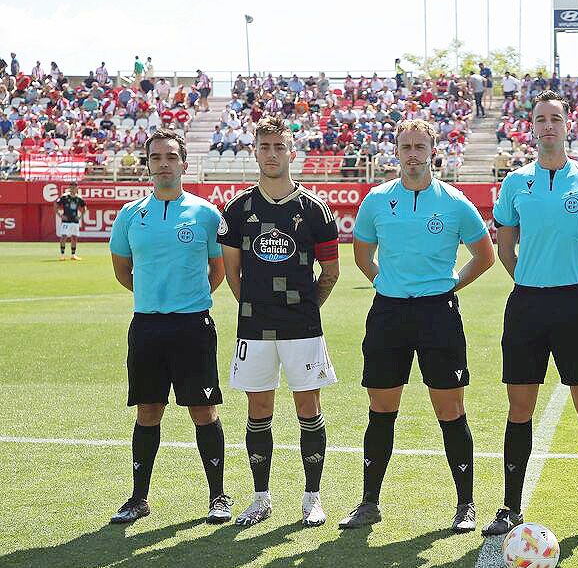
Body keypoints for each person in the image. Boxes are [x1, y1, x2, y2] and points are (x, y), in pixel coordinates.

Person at [340, 119, 495, 532]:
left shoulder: (455, 202)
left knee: (450, 409)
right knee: (381, 408)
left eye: (419, 146)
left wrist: (448, 287)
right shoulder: (376, 200)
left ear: (433, 150)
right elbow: (361, 255)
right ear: (396, 151)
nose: (412, 154)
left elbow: (485, 256)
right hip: (389, 313)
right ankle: (368, 503)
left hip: (437, 314)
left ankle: (466, 505)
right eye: (405, 146)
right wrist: (386, 285)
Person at [482, 90, 578, 539]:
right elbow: (504, 243)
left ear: (567, 125)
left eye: (555, 119)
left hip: (573, 304)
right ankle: (509, 507)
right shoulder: (515, 182)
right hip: (526, 305)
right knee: (520, 408)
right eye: (540, 119)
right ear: (532, 126)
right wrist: (524, 277)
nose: (547, 127)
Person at [218, 116, 341, 528]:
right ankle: (260, 497)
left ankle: (312, 498)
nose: (272, 154)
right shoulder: (238, 210)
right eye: (264, 147)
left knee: (308, 407)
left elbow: (331, 272)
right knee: (259, 407)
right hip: (254, 328)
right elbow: (232, 274)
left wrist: (307, 308)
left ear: (292, 152)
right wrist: (255, 307)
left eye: (279, 147)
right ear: (255, 152)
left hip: (302, 328)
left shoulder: (315, 210)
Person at [108, 128, 231, 525]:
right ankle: (138, 499)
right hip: (146, 326)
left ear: (184, 163)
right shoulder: (130, 215)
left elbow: (218, 270)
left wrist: (187, 300)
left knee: (203, 409)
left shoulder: (206, 213)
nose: (164, 164)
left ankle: (218, 497)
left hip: (193, 325)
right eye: (156, 158)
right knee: (148, 411)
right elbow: (123, 271)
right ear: (148, 165)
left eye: (171, 157)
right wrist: (153, 298)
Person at [55, 181, 87, 260]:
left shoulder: (78, 198)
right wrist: (60, 215)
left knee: (74, 237)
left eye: (75, 187)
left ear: (77, 188)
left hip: (74, 221)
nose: (73, 189)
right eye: (72, 187)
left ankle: (73, 255)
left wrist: (80, 216)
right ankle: (62, 255)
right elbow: (56, 205)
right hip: (66, 221)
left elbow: (84, 208)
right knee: (64, 236)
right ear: (69, 188)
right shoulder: (65, 197)